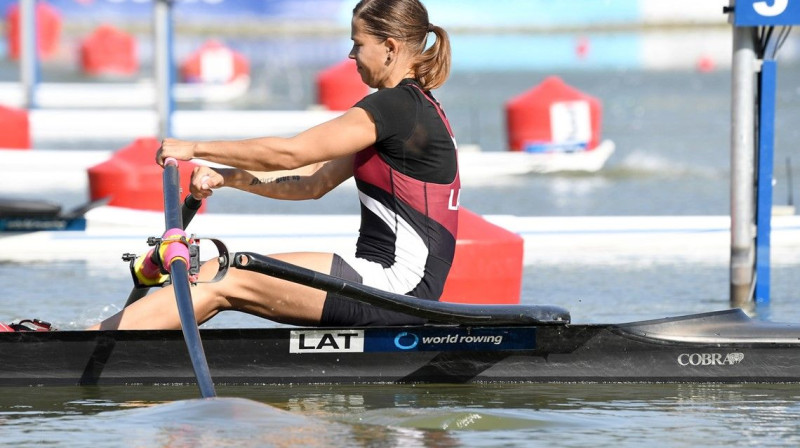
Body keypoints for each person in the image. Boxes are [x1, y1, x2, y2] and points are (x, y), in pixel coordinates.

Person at [90, 0, 460, 330]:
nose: (351, 54)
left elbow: (292, 153)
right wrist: (228, 177)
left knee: (221, 276)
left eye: (358, 43)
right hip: (389, 283)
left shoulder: (394, 107)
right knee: (218, 273)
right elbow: (312, 181)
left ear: (390, 48)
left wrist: (196, 147)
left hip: (395, 288)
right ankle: (106, 340)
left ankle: (88, 345)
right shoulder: (413, 110)